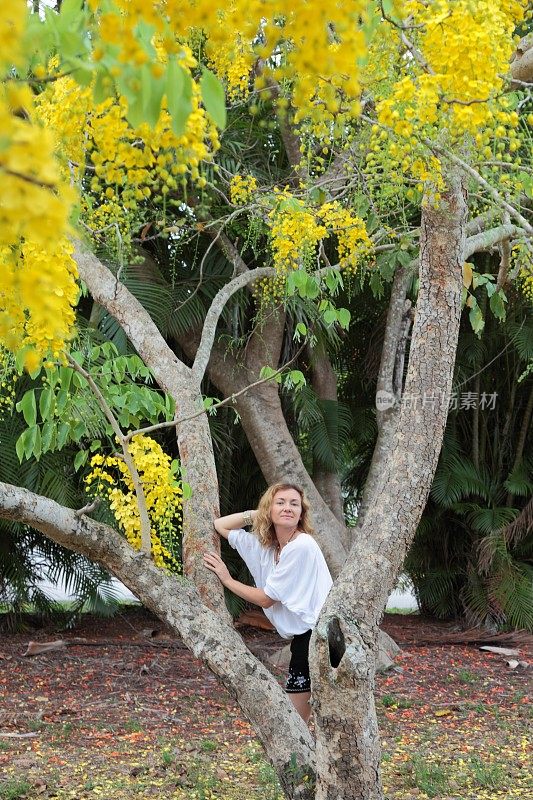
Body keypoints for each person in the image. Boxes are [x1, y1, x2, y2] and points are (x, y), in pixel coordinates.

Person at [203, 482, 332, 723]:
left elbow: (266, 599)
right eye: (280, 503)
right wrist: (257, 515)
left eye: (295, 504)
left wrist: (227, 579)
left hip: (318, 636)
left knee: (298, 721)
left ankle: (304, 760)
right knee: (302, 720)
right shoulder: (266, 548)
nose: (288, 508)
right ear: (269, 510)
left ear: (301, 513)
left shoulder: (302, 546)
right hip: (305, 638)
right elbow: (219, 525)